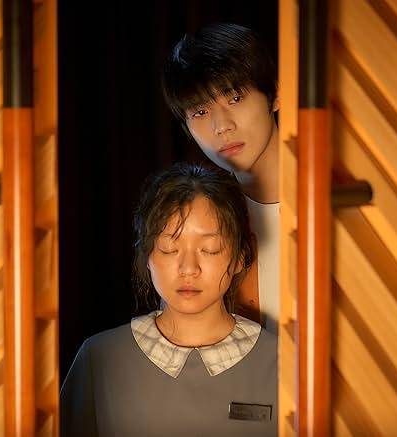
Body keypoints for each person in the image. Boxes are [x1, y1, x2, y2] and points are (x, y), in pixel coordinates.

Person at [61, 162, 278, 436]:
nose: (189, 268)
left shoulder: (283, 362)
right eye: (169, 248)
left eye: (210, 249)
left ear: (239, 259)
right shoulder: (100, 357)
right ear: (147, 257)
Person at [161, 22, 280, 334]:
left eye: (235, 98)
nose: (221, 126)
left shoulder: (335, 200)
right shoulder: (197, 217)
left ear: (275, 95)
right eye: (200, 112)